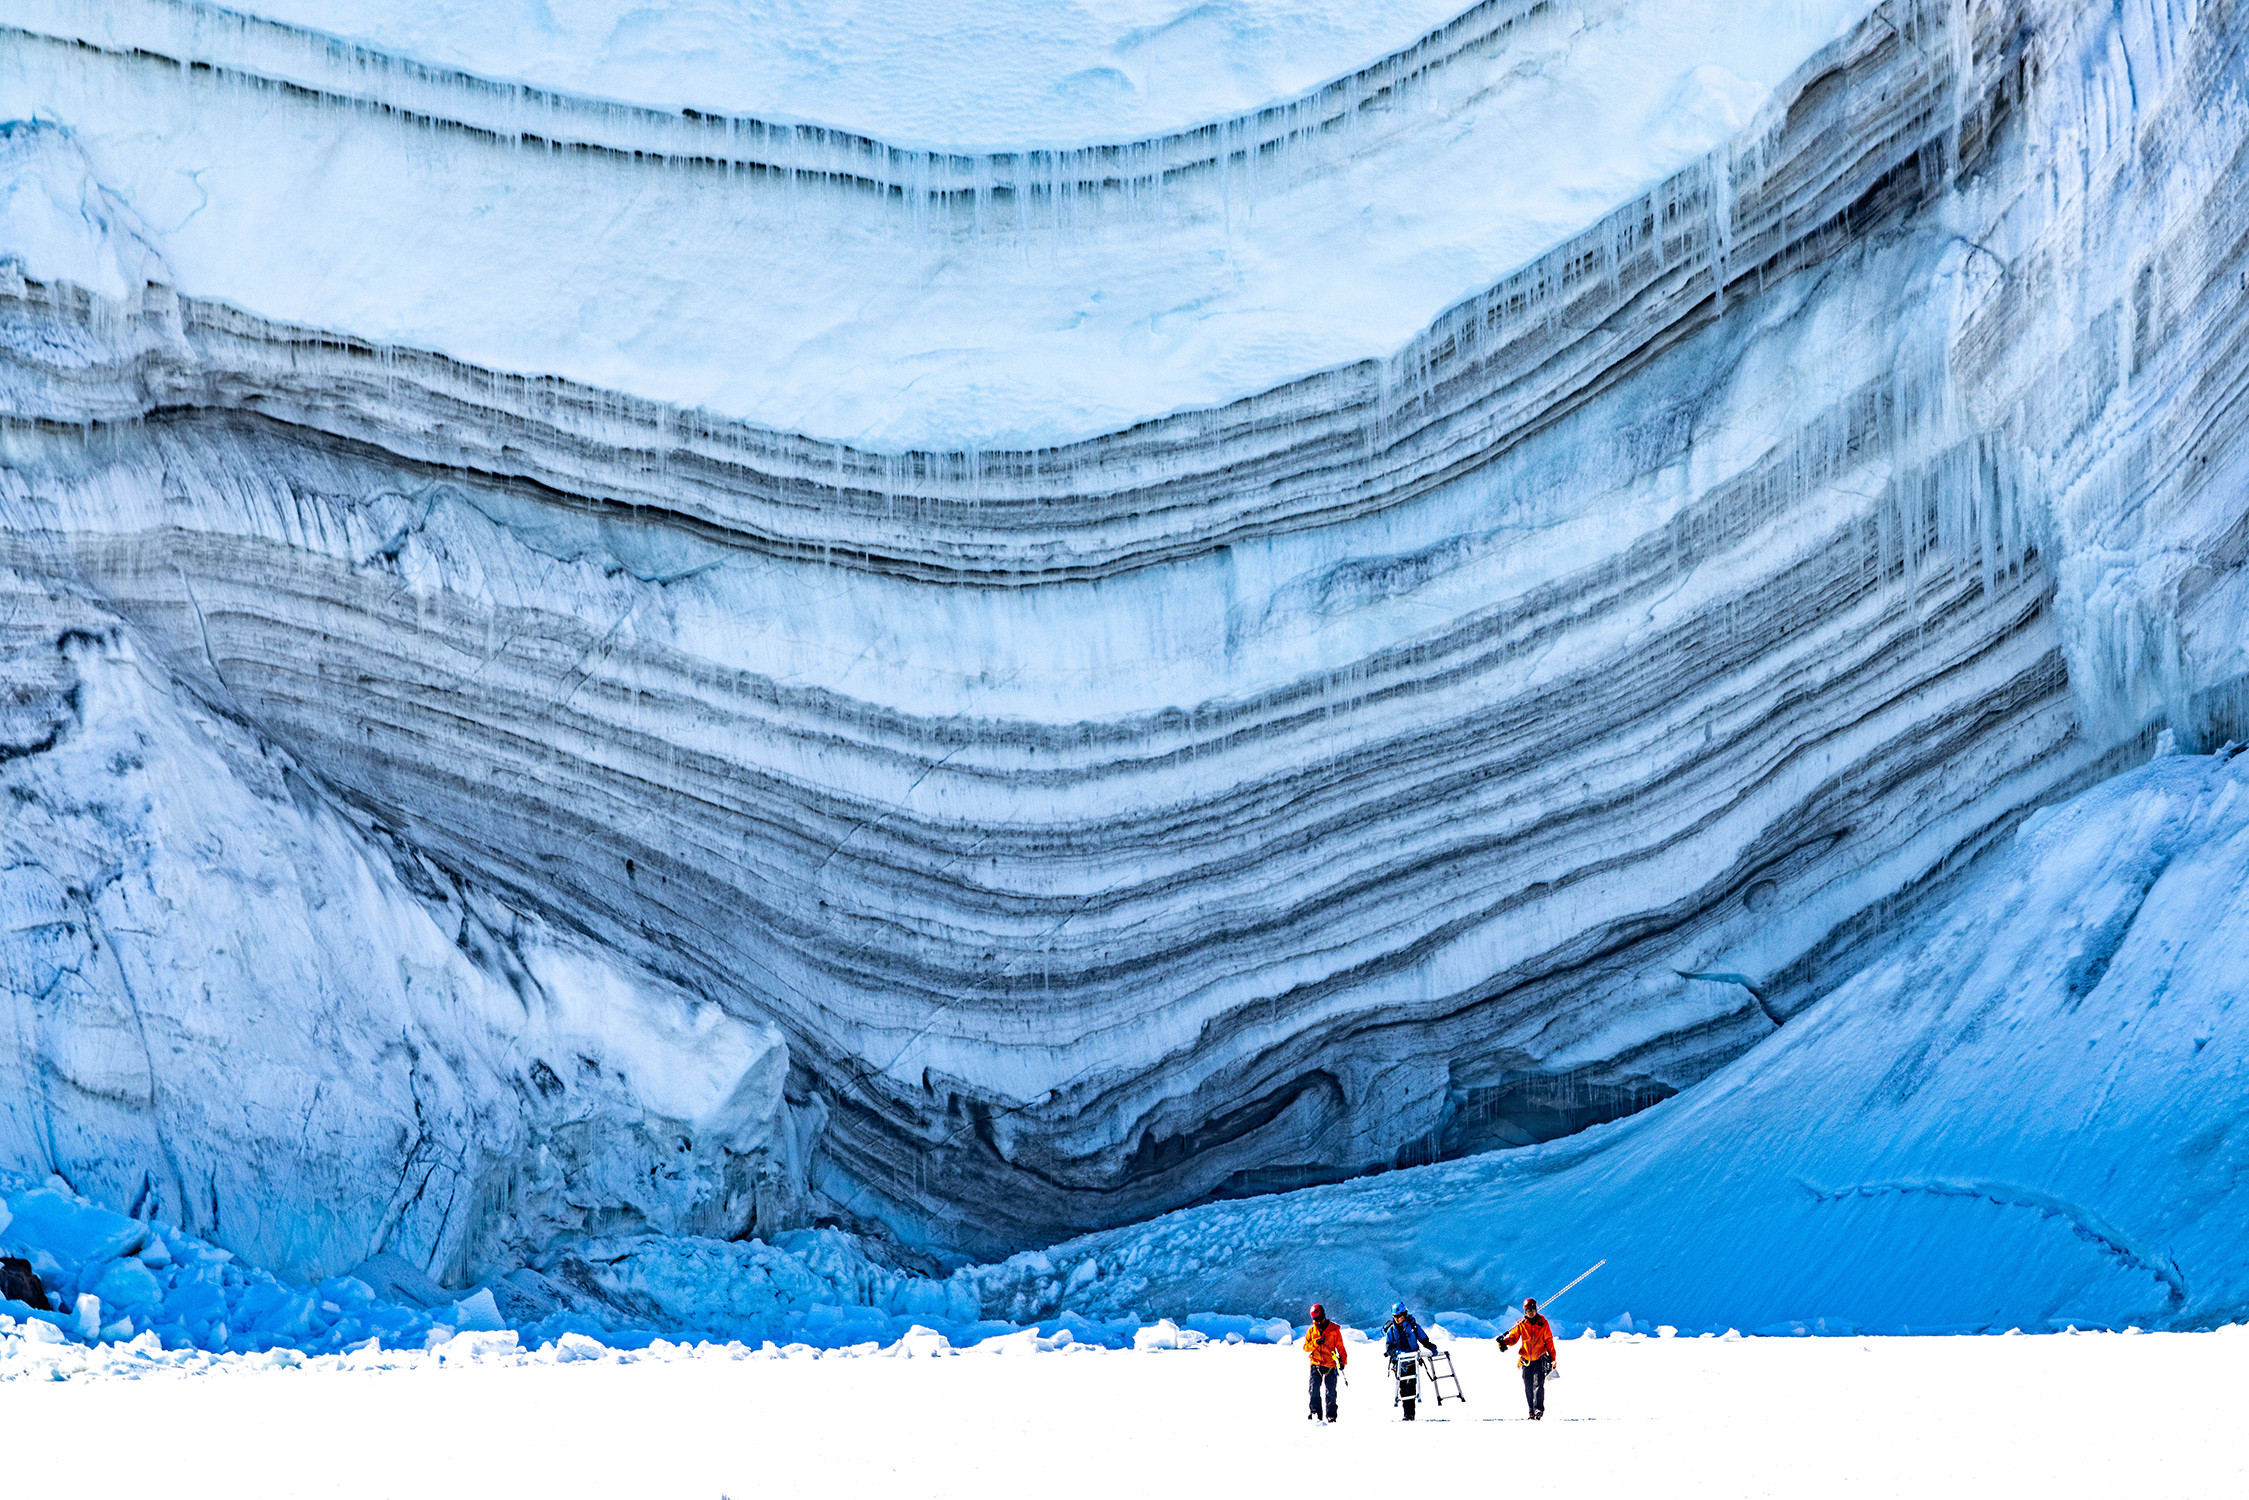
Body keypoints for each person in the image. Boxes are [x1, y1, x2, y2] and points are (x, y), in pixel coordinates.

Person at [1496, 1295, 1558, 1419]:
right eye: (1528, 1310)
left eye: (1533, 1310)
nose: (1531, 1313)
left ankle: (1538, 1410)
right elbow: (1513, 1338)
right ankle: (1531, 1411)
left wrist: (1552, 1358)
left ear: (1536, 1310)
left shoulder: (1543, 1323)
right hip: (1526, 1361)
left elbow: (1549, 1341)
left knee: (1538, 1385)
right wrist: (1503, 1342)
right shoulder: (1521, 1324)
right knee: (1528, 1387)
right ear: (1525, 1311)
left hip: (1540, 1359)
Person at [1303, 1302, 1347, 1422]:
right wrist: (1315, 1343)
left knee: (1330, 1392)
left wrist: (1343, 1361)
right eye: (1315, 1319)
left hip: (1330, 1365)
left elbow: (1340, 1347)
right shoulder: (1311, 1331)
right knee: (1313, 1390)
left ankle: (1331, 1416)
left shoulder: (1334, 1330)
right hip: (1316, 1364)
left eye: (1319, 1318)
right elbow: (1306, 1347)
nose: (1318, 1321)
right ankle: (1315, 1413)